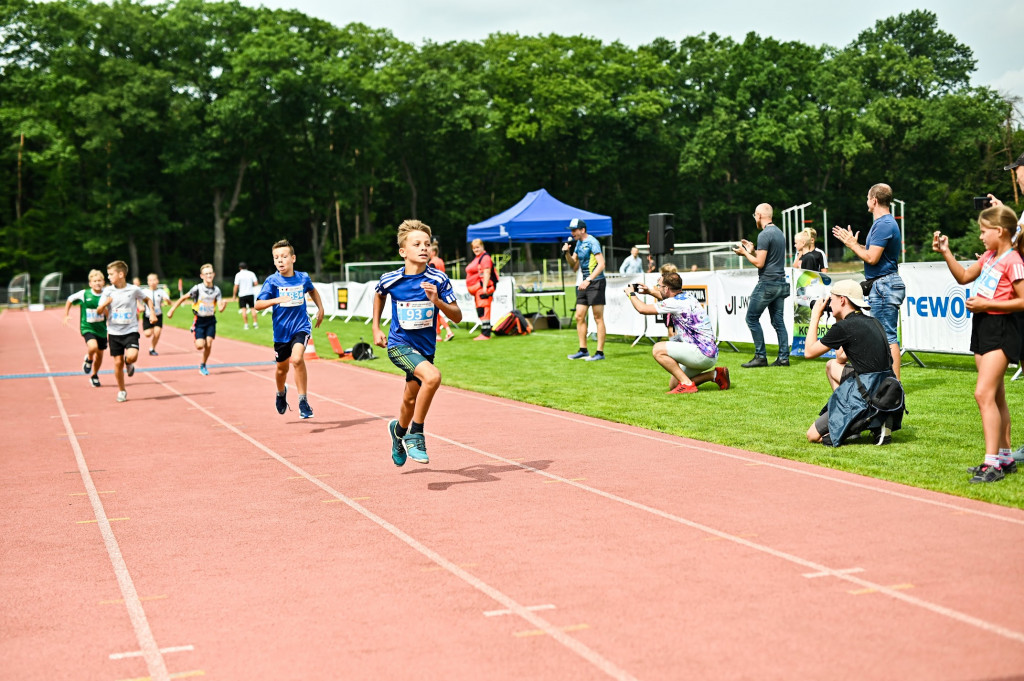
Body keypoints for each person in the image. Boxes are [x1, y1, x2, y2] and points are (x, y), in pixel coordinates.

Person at [933, 205, 1024, 483]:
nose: (981, 236)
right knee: (995, 396)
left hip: (1002, 329)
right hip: (982, 326)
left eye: (985, 231)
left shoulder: (1014, 260)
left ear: (1000, 231)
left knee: (982, 394)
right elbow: (963, 277)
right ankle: (1005, 457)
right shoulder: (989, 256)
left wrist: (988, 303)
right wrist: (946, 252)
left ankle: (991, 464)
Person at [373, 220, 463, 466]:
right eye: (417, 244)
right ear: (403, 251)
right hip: (398, 345)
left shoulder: (438, 279)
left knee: (409, 400)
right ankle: (416, 434)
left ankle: (397, 433)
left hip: (425, 349)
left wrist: (437, 302)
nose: (424, 248)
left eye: (427, 244)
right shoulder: (391, 279)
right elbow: (379, 294)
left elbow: (457, 316)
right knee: (433, 377)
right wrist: (375, 327)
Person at [803, 279, 900, 446]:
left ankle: (854, 423)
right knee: (831, 365)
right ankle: (876, 421)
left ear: (842, 300)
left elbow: (809, 352)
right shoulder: (872, 321)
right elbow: (840, 357)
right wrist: (838, 319)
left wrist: (815, 317)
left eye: (831, 299)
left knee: (812, 435)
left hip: (867, 392)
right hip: (886, 389)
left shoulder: (845, 327)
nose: (829, 304)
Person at [832, 183, 906, 380]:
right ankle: (889, 383)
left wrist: (852, 244)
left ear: (874, 200)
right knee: (885, 335)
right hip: (883, 284)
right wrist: (855, 244)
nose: (866, 201)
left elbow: (872, 258)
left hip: (884, 285)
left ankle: (894, 386)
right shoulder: (884, 223)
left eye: (867, 198)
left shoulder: (883, 224)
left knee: (887, 337)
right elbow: (874, 253)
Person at [255, 240, 325, 419]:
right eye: (276, 258)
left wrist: (321, 308)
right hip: (281, 332)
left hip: (301, 326)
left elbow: (312, 290)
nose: (280, 260)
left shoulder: (303, 278)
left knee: (297, 359)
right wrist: (275, 300)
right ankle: (280, 393)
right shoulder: (272, 281)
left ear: (293, 258)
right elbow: (257, 305)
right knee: (281, 370)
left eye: (284, 257)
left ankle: (303, 401)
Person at [626, 272, 730, 394]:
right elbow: (665, 298)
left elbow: (642, 309)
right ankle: (716, 375)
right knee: (674, 384)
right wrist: (649, 291)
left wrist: (631, 294)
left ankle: (687, 384)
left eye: (659, 285)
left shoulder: (674, 303)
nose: (657, 288)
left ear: (666, 288)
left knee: (657, 349)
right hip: (708, 353)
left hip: (701, 353)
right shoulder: (686, 296)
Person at [733, 203, 790, 368]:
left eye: (754, 216)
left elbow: (760, 263)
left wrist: (744, 253)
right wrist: (751, 250)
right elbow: (768, 259)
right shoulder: (779, 232)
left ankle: (760, 356)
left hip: (768, 283)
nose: (754, 219)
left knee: (751, 318)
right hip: (781, 282)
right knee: (778, 321)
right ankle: (783, 358)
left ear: (759, 215)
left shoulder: (764, 234)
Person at [95, 260, 157, 403]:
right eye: (108, 274)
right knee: (117, 364)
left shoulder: (133, 289)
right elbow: (99, 310)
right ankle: (122, 390)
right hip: (114, 332)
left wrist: (152, 312)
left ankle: (129, 363)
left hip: (130, 330)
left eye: (111, 274)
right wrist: (105, 304)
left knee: (132, 357)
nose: (108, 277)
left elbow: (147, 300)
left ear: (121, 274)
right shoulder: (108, 291)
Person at [168, 264, 227, 376]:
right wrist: (172, 310)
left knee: (208, 344)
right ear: (201, 276)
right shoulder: (197, 288)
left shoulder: (216, 290)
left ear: (213, 274)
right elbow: (183, 298)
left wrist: (223, 306)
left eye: (210, 273)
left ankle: (203, 365)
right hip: (199, 320)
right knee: (200, 345)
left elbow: (220, 308)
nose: (209, 275)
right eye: (206, 273)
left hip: (211, 320)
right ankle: (194, 330)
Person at [563, 218, 607, 361]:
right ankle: (583, 350)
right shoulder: (578, 244)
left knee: (597, 317)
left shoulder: (593, 242)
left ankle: (600, 353)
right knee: (579, 316)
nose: (572, 232)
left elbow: (601, 264)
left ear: (582, 230)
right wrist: (567, 253)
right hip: (584, 283)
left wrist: (588, 280)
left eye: (574, 230)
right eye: (571, 230)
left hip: (596, 282)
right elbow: (574, 266)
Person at [62, 269, 108, 388]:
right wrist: (66, 314)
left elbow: (111, 311)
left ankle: (94, 375)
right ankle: (88, 359)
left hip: (102, 330)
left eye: (99, 280)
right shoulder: (84, 294)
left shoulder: (107, 295)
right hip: (88, 327)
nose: (97, 283)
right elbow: (70, 299)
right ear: (90, 283)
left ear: (103, 282)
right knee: (93, 347)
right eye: (94, 281)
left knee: (100, 355)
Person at [466, 238, 496, 340]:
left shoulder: (485, 258)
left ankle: (486, 334)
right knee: (481, 311)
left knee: (484, 310)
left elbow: (487, 272)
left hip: (483, 288)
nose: (476, 249)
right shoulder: (478, 258)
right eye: (474, 248)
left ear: (482, 246)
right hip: (478, 289)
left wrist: (484, 288)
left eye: (478, 247)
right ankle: (485, 332)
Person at [429, 243, 455, 342]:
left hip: (435, 289)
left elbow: (432, 277)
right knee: (437, 312)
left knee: (435, 313)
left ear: (434, 252)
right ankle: (443, 332)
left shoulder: (432, 262)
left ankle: (443, 333)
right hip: (442, 287)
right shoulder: (440, 261)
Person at [141, 273, 171, 355]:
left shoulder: (161, 291)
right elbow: (137, 300)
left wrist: (167, 300)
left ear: (157, 281)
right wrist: (140, 306)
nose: (153, 282)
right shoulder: (144, 291)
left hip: (158, 315)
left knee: (157, 332)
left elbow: (169, 302)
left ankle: (152, 348)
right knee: (148, 334)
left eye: (154, 280)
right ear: (148, 282)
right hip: (147, 315)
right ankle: (151, 330)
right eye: (150, 280)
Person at [233, 262, 260, 330]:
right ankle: (255, 323)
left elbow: (236, 286)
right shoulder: (251, 273)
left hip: (242, 294)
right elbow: (256, 283)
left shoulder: (238, 275)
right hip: (250, 293)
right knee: (252, 309)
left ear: (240, 268)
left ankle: (246, 325)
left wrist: (234, 295)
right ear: (247, 267)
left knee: (244, 310)